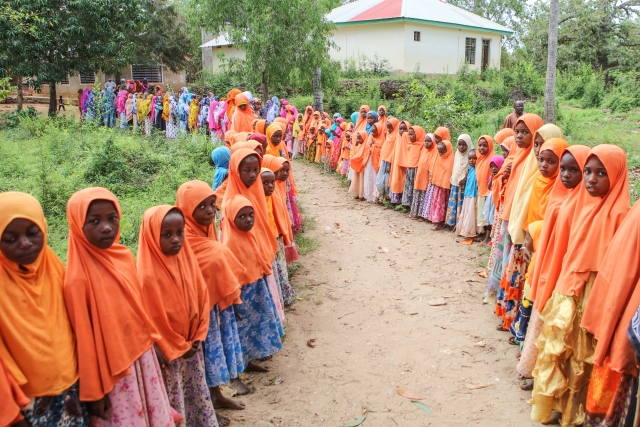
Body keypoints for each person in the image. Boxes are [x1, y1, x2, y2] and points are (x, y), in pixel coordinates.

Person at [530, 145, 630, 426]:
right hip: (570, 287)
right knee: (561, 347)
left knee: (582, 356)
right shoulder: (584, 205)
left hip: (593, 294)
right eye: (588, 172)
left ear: (617, 175)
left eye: (601, 173)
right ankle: (557, 402)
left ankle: (574, 410)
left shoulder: (621, 215)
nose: (591, 179)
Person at [64, 187, 176, 426]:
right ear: (77, 224)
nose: (106, 227)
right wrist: (95, 390)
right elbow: (83, 338)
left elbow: (138, 309)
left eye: (112, 218)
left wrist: (153, 342)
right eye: (94, 221)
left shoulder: (123, 257)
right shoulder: (77, 279)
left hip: (142, 357)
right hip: (113, 373)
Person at [0, 192, 89, 426]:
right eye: (10, 239)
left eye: (32, 233)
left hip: (72, 385)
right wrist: (9, 414)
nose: (24, 243)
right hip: (26, 400)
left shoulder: (52, 266)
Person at [136, 206, 218, 427]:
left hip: (192, 345)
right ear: (151, 236)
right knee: (175, 398)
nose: (175, 239)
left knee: (195, 392)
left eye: (180, 232)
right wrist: (178, 345)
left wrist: (198, 334)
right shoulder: (146, 276)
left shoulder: (186, 260)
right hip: (170, 355)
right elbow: (152, 321)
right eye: (166, 234)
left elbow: (201, 297)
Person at [221, 165, 283, 371]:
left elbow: (258, 257)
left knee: (258, 323)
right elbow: (229, 273)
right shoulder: (229, 243)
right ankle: (245, 362)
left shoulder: (250, 236)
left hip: (257, 285)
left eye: (251, 216)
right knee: (244, 328)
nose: (248, 220)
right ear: (231, 219)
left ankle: (256, 356)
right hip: (241, 293)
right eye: (242, 217)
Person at [445, 134, 473, 228]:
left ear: (468, 144)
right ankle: (451, 223)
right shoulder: (457, 154)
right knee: (453, 203)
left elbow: (470, 169)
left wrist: (464, 178)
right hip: (455, 183)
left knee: (461, 204)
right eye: (459, 144)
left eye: (464, 145)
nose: (461, 147)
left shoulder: (471, 155)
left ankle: (459, 224)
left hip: (464, 185)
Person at [427, 140, 455, 229]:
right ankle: (437, 221)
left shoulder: (451, 159)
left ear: (448, 150)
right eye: (439, 151)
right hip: (438, 186)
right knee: (438, 204)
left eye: (442, 151)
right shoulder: (439, 158)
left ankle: (441, 222)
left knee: (443, 204)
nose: (440, 153)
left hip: (446, 188)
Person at [410, 132, 437, 218]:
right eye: (425, 141)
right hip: (420, 175)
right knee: (418, 192)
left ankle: (421, 214)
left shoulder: (434, 151)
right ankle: (415, 212)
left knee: (424, 194)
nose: (426, 143)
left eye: (429, 141)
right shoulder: (423, 150)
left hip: (426, 176)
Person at [454, 149, 480, 239]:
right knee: (466, 211)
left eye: (474, 158)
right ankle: (464, 229)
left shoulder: (478, 169)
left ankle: (471, 231)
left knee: (472, 212)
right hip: (467, 193)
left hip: (474, 194)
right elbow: (466, 178)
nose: (471, 160)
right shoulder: (469, 168)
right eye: (470, 158)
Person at [474, 135, 496, 242]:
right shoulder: (479, 159)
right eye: (480, 145)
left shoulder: (492, 160)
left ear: (490, 146)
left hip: (488, 192)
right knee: (482, 214)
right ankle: (483, 234)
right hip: (481, 191)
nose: (481, 148)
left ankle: (488, 237)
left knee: (487, 214)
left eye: (485, 145)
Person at [400, 126, 426, 209]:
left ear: (418, 135)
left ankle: (414, 206)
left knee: (415, 187)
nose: (409, 136)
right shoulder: (410, 144)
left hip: (417, 169)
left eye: (411, 134)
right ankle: (407, 204)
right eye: (409, 134)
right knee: (409, 186)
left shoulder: (422, 145)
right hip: (410, 167)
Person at [349, 132, 367, 200]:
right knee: (357, 180)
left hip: (362, 166)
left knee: (362, 180)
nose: (358, 140)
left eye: (360, 138)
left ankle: (362, 195)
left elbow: (360, 156)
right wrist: (356, 143)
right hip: (357, 165)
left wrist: (353, 158)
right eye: (357, 138)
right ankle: (358, 193)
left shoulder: (365, 145)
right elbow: (356, 152)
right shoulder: (359, 145)